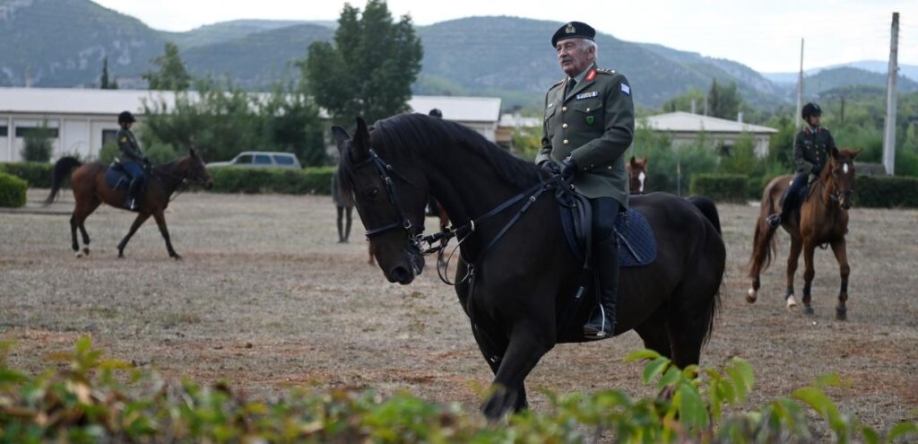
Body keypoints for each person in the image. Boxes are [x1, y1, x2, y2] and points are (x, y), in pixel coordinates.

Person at [535, 21, 635, 340]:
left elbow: (620, 135)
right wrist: (542, 166)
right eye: (559, 49)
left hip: (600, 182)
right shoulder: (553, 93)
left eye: (570, 47)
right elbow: (545, 145)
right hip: (559, 183)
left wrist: (574, 161)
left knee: (600, 228)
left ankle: (606, 309)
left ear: (590, 51)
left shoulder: (612, 83)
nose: (563, 53)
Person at [767, 102, 837, 228]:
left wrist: (831, 166)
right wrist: (812, 168)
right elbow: (798, 159)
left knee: (840, 190)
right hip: (805, 174)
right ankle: (781, 217)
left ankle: (840, 222)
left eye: (818, 115)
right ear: (807, 118)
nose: (817, 118)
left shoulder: (825, 134)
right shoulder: (801, 136)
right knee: (792, 191)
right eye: (814, 116)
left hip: (824, 173)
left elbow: (833, 153)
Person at [116, 111, 150, 210]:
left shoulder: (129, 133)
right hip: (126, 160)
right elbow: (128, 150)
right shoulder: (121, 134)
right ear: (123, 123)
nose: (131, 124)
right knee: (138, 175)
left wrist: (143, 157)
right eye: (129, 122)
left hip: (135, 159)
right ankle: (129, 199)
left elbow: (136, 148)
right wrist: (139, 157)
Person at [332, 172, 354, 243]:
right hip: (339, 199)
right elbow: (334, 186)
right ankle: (341, 237)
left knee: (349, 218)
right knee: (339, 218)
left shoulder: (350, 173)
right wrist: (335, 199)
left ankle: (346, 237)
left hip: (349, 199)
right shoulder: (337, 173)